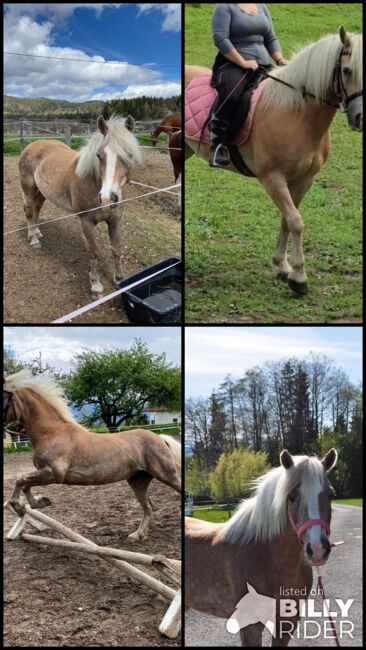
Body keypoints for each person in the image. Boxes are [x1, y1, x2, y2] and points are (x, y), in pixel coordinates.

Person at [210, 3, 288, 167]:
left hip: (263, 65)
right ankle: (217, 143)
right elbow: (220, 38)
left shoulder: (262, 7)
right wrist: (243, 62)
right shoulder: (224, 7)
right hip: (232, 64)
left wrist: (280, 60)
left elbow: (271, 38)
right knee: (232, 93)